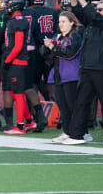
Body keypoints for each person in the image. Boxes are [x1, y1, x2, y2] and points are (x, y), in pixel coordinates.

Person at [63, 0, 103, 146]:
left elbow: (93, 15)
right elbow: (79, 13)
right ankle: (77, 135)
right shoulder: (94, 23)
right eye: (97, 9)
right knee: (82, 102)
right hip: (88, 68)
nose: (97, 11)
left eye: (101, 9)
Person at [0, 0, 35, 135]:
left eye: (8, 3)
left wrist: (7, 60)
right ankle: (29, 122)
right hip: (14, 60)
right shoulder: (14, 20)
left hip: (16, 61)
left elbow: (17, 46)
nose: (5, 5)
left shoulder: (19, 21)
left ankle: (20, 126)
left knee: (17, 93)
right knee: (13, 91)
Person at [44, 11, 82, 143]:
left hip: (71, 75)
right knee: (63, 106)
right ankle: (67, 131)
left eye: (64, 21)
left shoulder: (75, 36)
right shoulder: (59, 37)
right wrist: (47, 46)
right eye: (59, 21)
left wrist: (53, 47)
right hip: (58, 75)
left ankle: (80, 133)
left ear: (72, 22)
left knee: (73, 106)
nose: (60, 24)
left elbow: (69, 53)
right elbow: (47, 55)